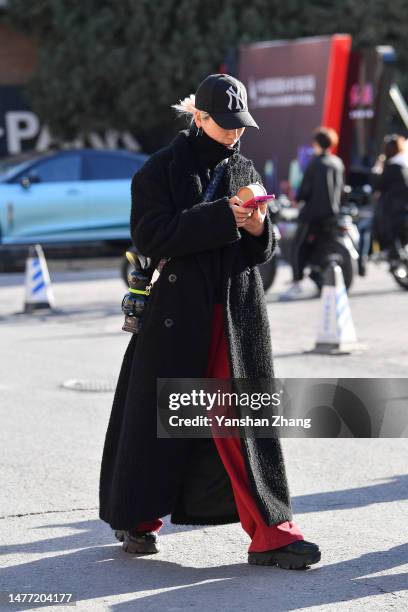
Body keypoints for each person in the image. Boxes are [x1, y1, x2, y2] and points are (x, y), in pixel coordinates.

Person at [99, 74, 321, 569]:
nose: (234, 133)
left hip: (237, 314)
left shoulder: (244, 165)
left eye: (240, 124)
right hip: (177, 314)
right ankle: (136, 519)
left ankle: (274, 532)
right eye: (224, 124)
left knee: (244, 421)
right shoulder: (158, 170)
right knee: (160, 420)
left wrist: (261, 228)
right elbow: (153, 237)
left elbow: (260, 250)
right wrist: (225, 215)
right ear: (197, 116)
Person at [281, 127, 345, 299]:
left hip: (313, 214)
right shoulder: (337, 162)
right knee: (323, 247)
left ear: (317, 144)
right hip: (332, 215)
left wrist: (297, 199)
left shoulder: (315, 163)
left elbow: (304, 191)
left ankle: (297, 282)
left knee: (298, 246)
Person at [373, 133, 408, 252]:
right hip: (401, 212)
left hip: (390, 214)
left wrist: (378, 168)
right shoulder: (403, 166)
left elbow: (377, 185)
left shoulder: (393, 167)